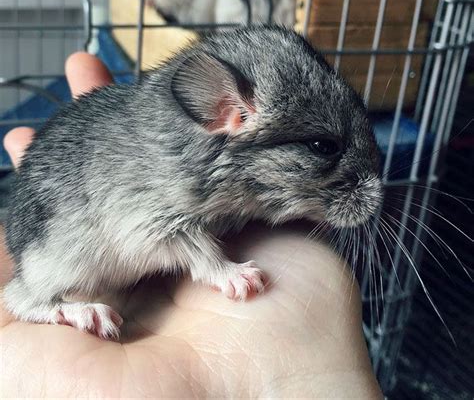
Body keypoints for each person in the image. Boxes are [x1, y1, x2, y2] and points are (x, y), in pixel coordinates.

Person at [0, 52, 383, 398]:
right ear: (225, 110)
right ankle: (38, 303)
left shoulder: (218, 177)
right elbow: (151, 233)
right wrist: (216, 268)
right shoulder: (158, 171)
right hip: (55, 232)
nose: (373, 193)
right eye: (323, 148)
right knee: (49, 272)